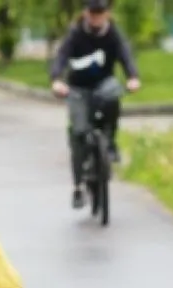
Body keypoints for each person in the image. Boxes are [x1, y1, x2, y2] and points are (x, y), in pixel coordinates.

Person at [48, 0, 142, 209]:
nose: (96, 18)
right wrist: (57, 80)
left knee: (113, 95)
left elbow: (125, 55)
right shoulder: (76, 33)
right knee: (79, 132)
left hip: (103, 84)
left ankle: (110, 142)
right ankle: (78, 186)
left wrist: (133, 77)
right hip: (78, 88)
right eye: (92, 13)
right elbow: (62, 57)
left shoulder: (112, 33)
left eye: (100, 13)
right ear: (85, 13)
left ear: (107, 14)